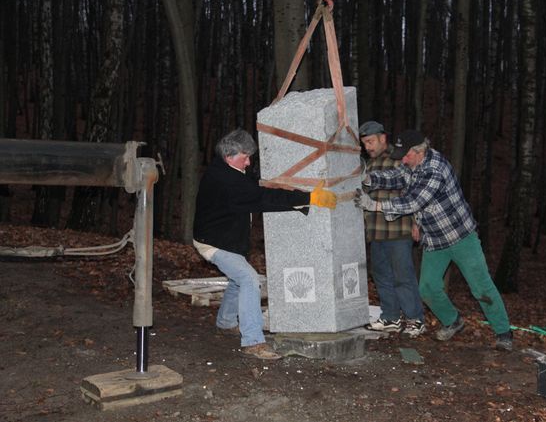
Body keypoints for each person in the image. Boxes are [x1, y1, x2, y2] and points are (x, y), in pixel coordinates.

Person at [354, 129, 513, 351]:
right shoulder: (412, 164)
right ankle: (453, 321)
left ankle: (503, 332)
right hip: (435, 240)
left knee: (481, 287)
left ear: (419, 151)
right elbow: (396, 177)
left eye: (406, 155)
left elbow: (413, 201)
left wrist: (375, 205)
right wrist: (368, 177)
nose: (403, 160)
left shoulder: (436, 169)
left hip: (461, 237)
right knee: (427, 288)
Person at [193, 128, 337, 360]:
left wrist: (284, 185)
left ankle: (226, 322)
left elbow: (256, 187)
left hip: (226, 238)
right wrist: (308, 197)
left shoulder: (227, 170)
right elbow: (263, 198)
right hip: (214, 242)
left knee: (237, 280)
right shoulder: (226, 179)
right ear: (230, 156)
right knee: (249, 279)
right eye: (245, 157)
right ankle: (253, 342)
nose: (249, 162)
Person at [358, 121, 425, 338]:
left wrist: (417, 222)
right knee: (382, 276)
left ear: (382, 138)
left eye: (370, 141)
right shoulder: (368, 164)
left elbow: (412, 192)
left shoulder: (399, 158)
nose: (367, 146)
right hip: (376, 231)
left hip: (398, 229)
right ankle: (391, 317)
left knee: (403, 276)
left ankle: (415, 319)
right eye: (364, 143)